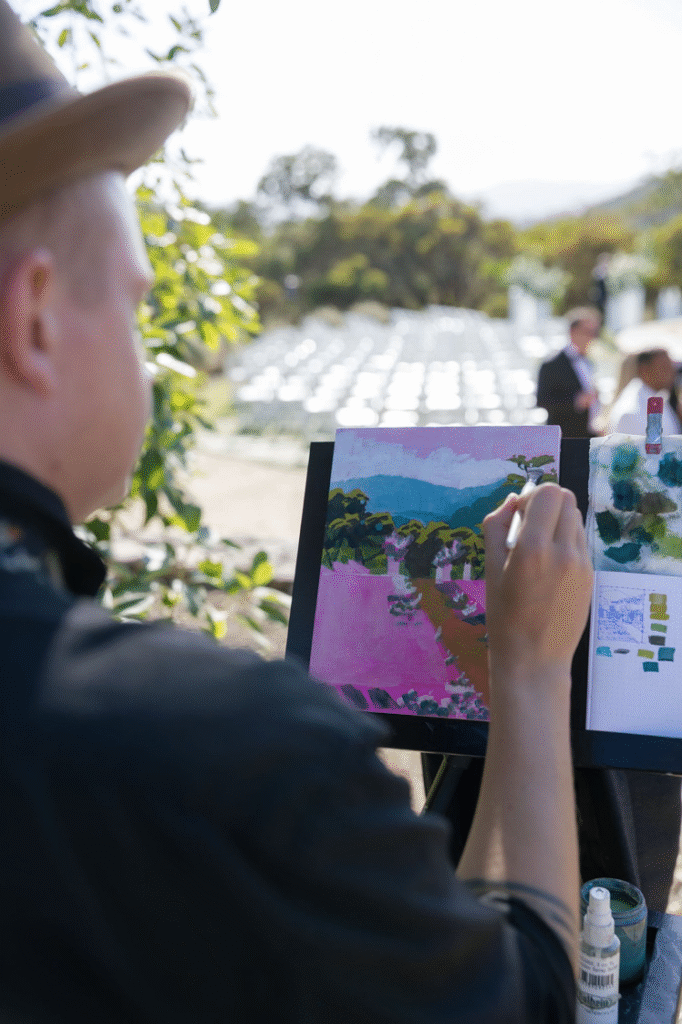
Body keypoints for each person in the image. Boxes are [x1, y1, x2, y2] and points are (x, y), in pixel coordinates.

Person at [0, 4, 596, 1021]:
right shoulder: (213, 756)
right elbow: (526, 1000)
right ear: (37, 315)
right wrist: (531, 676)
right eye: (139, 305)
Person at [536, 307, 602, 437]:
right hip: (565, 437)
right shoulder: (552, 364)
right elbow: (542, 400)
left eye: (594, 332)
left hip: (589, 435)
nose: (592, 337)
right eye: (587, 331)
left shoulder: (589, 362)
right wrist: (576, 401)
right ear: (573, 332)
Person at [607, 347, 682, 435]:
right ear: (644, 370)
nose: (672, 373)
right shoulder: (633, 412)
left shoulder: (653, 398)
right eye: (664, 368)